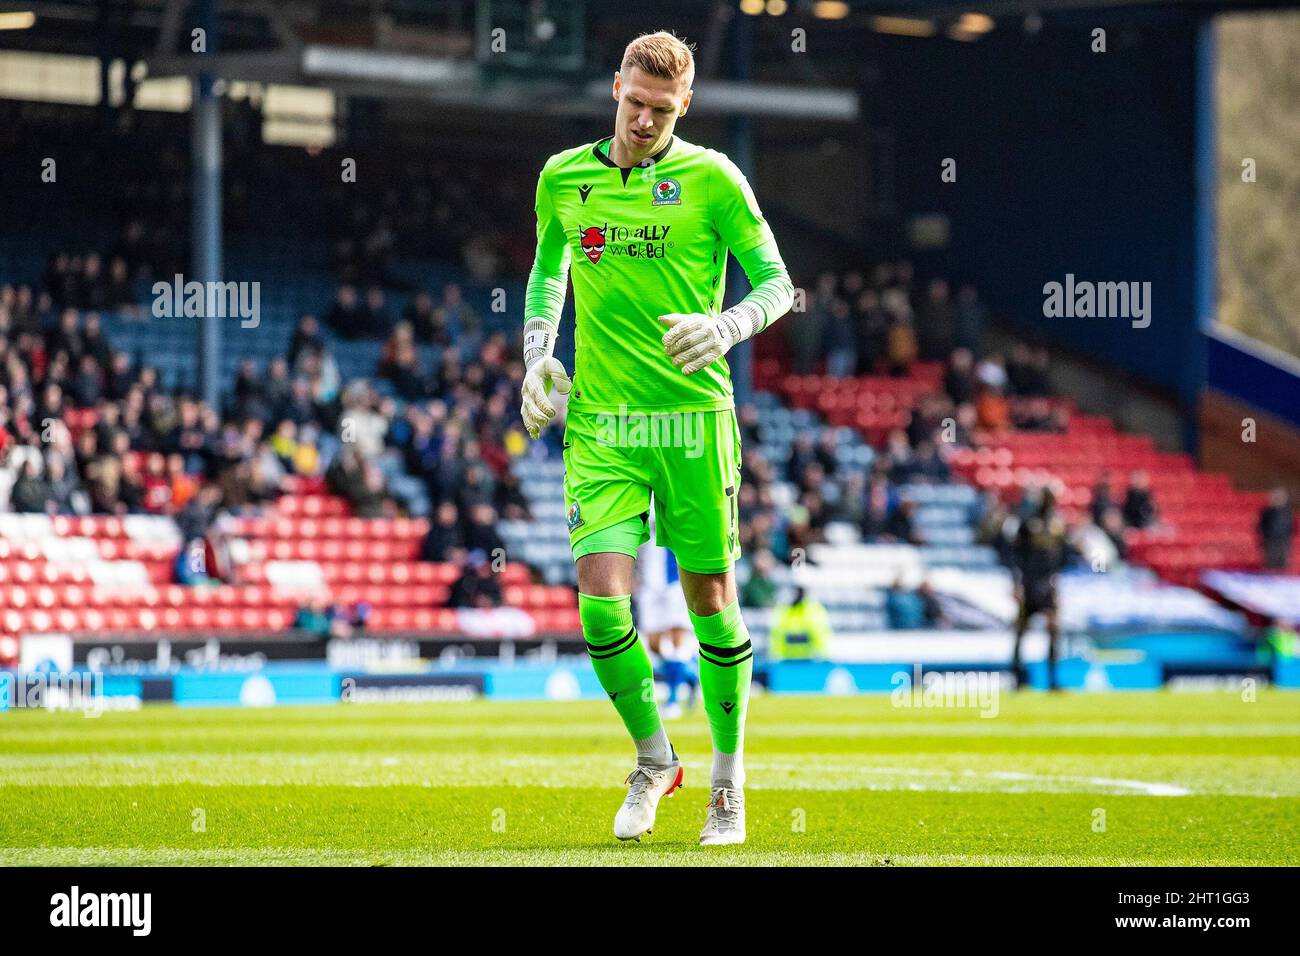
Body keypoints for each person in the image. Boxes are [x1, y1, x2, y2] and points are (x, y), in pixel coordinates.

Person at [519, 30, 794, 847]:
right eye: (634, 103)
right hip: (603, 423)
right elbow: (546, 271)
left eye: (661, 110)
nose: (644, 121)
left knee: (711, 602)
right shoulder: (564, 177)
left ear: (687, 105)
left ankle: (727, 779)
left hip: (692, 421)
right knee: (600, 607)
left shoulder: (714, 179)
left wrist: (728, 323)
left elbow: (779, 283)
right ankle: (654, 759)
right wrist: (538, 355)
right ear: (615, 88)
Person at [635, 510, 697, 719]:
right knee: (653, 645)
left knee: (676, 641)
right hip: (649, 584)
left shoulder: (670, 492)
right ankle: (689, 674)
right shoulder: (640, 494)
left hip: (673, 582)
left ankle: (672, 701)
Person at [1009, 487, 1070, 690]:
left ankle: (1053, 681)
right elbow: (1016, 554)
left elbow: (1062, 554)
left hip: (1048, 584)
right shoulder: (1027, 522)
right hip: (1029, 584)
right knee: (1021, 631)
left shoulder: (1057, 524)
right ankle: (1017, 680)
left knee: (1053, 630)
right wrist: (1017, 582)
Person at [767, 587, 832, 660]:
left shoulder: (813, 610)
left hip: (809, 661)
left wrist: (821, 656)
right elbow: (776, 636)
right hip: (786, 661)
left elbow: (820, 635)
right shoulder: (782, 611)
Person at [1258, 487, 1295, 571]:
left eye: (1280, 497)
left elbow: (1291, 526)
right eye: (1276, 497)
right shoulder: (1266, 512)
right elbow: (1261, 525)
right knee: (1270, 561)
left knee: (1282, 562)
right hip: (1270, 540)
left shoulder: (1288, 512)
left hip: (1284, 540)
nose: (1278, 499)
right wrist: (1265, 536)